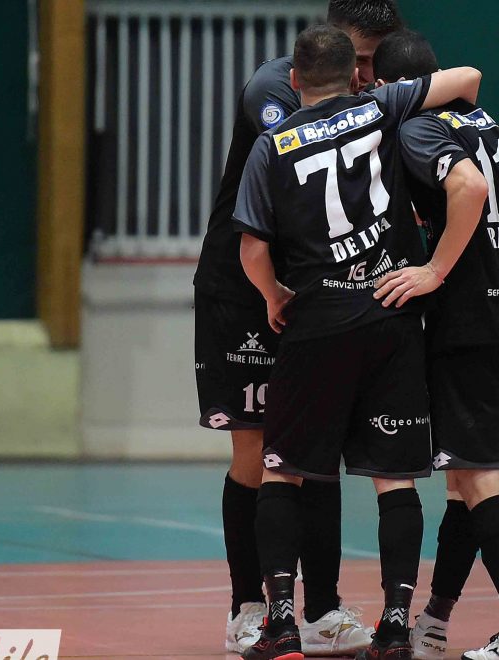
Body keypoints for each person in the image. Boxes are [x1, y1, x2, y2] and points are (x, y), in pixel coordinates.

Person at [233, 24, 482, 660]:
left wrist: (274, 296)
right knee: (394, 479)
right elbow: (466, 79)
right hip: (390, 316)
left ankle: (282, 624)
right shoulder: (380, 106)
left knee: (283, 470)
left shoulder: (271, 145)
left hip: (316, 322)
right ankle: (395, 627)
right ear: (354, 76)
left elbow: (252, 250)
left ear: (294, 80)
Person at [191, 1, 403, 655]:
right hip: (246, 291)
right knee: (259, 453)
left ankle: (323, 611)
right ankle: (249, 607)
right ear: (335, 46)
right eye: (361, 59)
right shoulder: (275, 92)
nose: (368, 74)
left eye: (375, 63)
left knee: (317, 454)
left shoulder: (365, 99)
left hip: (311, 297)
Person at [371, 30, 499, 660]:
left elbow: (468, 189)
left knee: (478, 476)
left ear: (391, 87)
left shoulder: (419, 128)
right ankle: (435, 622)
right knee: (464, 480)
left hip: (470, 322)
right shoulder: (484, 121)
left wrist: (434, 270)